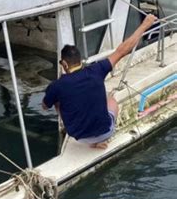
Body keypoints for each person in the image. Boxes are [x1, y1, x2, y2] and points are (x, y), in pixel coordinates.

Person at [42, 13, 158, 149]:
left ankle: (81, 133)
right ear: (80, 61)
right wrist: (145, 24)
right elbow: (123, 50)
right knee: (111, 100)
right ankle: (97, 142)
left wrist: (56, 97)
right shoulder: (97, 69)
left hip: (77, 135)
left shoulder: (57, 85)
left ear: (65, 64)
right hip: (105, 133)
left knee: (57, 99)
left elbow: (45, 106)